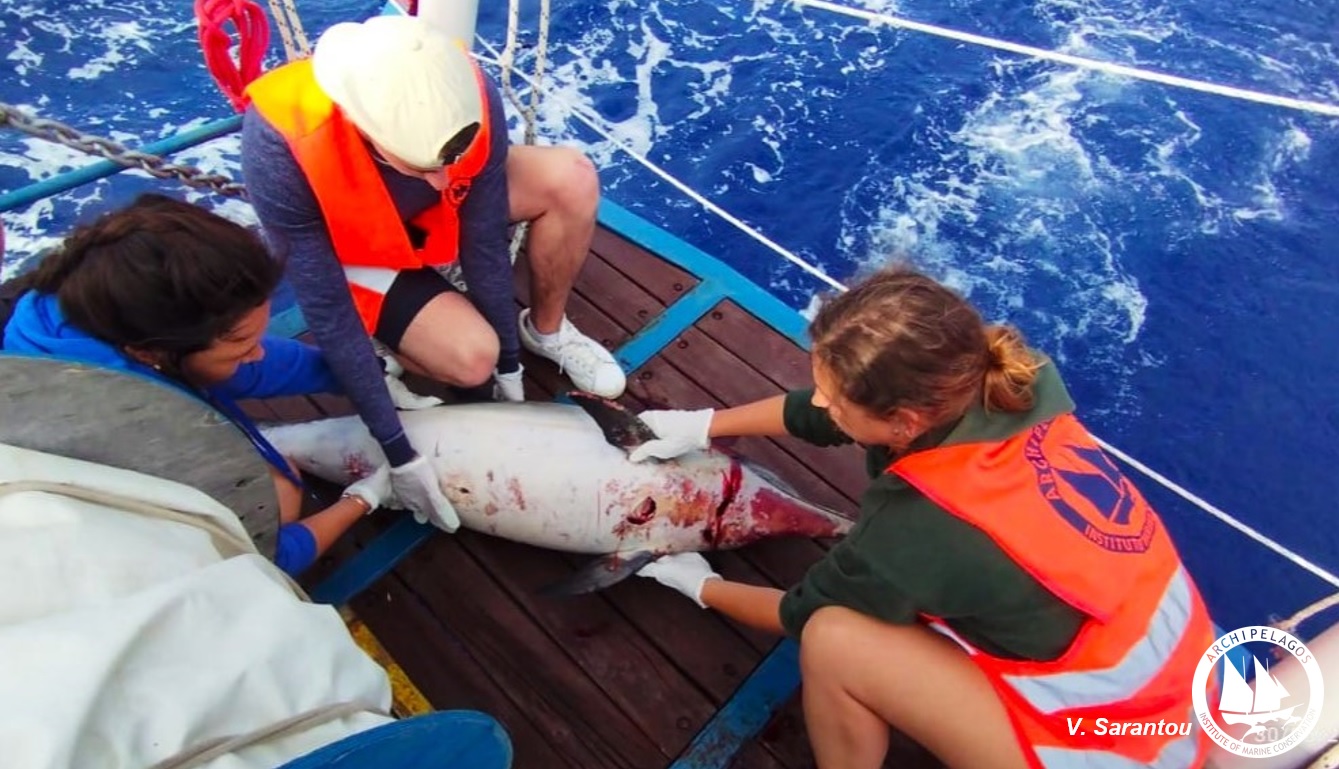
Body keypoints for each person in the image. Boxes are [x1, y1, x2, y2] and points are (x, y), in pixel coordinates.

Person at [628, 266, 1214, 769]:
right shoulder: (1010, 378)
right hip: (1191, 678)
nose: (822, 403)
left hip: (1124, 744)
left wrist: (698, 582)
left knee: (833, 640)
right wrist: (702, 424)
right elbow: (833, 412)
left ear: (906, 423)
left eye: (834, 398)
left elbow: (798, 613)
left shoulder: (922, 527)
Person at [239, 15, 627, 531]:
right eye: (425, 166)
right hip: (359, 251)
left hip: (427, 224)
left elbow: (483, 235)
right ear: (365, 131)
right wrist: (397, 452)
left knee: (570, 178)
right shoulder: (279, 144)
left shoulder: (462, 86)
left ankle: (544, 331)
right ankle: (390, 347)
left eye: (451, 160)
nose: (446, 179)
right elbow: (326, 308)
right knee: (471, 360)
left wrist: (510, 364)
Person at [1, 194, 403, 577]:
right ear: (149, 354)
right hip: (84, 545)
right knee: (280, 500)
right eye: (241, 346)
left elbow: (251, 367)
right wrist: (362, 499)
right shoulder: (130, 431)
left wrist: (364, 373)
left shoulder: (91, 303)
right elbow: (254, 555)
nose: (257, 353)